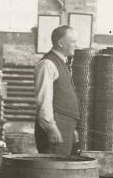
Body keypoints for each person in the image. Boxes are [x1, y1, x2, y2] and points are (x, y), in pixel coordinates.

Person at [33, 24, 80, 156]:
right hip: (56, 126)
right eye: (73, 42)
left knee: (61, 168)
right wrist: (51, 128)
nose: (76, 45)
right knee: (53, 170)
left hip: (64, 125)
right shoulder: (47, 64)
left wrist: (71, 129)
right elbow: (44, 100)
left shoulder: (62, 62)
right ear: (60, 43)